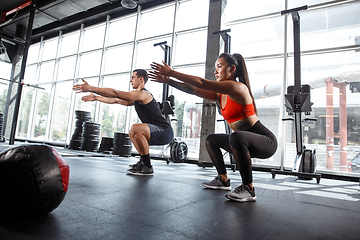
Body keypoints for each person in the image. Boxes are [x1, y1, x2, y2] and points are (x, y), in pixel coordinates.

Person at [149, 53, 277, 202]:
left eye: (219, 66)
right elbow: (194, 89)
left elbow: (202, 83)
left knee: (235, 136)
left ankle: (248, 188)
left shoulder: (238, 87)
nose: (215, 71)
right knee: (211, 139)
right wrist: (168, 81)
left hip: (265, 141)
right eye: (215, 67)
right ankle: (223, 179)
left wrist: (172, 72)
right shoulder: (220, 95)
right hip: (242, 141)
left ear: (232, 69)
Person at [72, 69, 174, 176]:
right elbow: (115, 99)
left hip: (165, 132)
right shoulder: (137, 96)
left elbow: (115, 93)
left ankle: (147, 166)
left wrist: (90, 88)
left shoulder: (144, 94)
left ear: (141, 79)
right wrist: (96, 97)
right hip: (155, 131)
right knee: (132, 132)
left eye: (133, 77)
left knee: (135, 128)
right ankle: (143, 161)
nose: (130, 80)